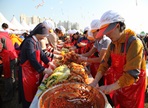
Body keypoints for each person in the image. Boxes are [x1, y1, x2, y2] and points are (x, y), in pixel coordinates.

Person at [90, 10, 146, 108]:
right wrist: (94, 82)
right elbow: (104, 64)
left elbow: (131, 75)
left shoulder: (134, 43)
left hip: (133, 89)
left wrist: (109, 87)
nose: (106, 35)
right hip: (119, 85)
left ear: (118, 26)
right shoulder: (112, 44)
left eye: (108, 31)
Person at [18, 22, 56, 108]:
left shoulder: (37, 41)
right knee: (27, 97)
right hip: (26, 74)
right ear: (39, 33)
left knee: (34, 94)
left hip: (33, 72)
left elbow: (42, 54)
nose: (45, 37)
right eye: (45, 35)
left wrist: (49, 62)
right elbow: (32, 59)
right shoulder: (29, 42)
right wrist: (44, 70)